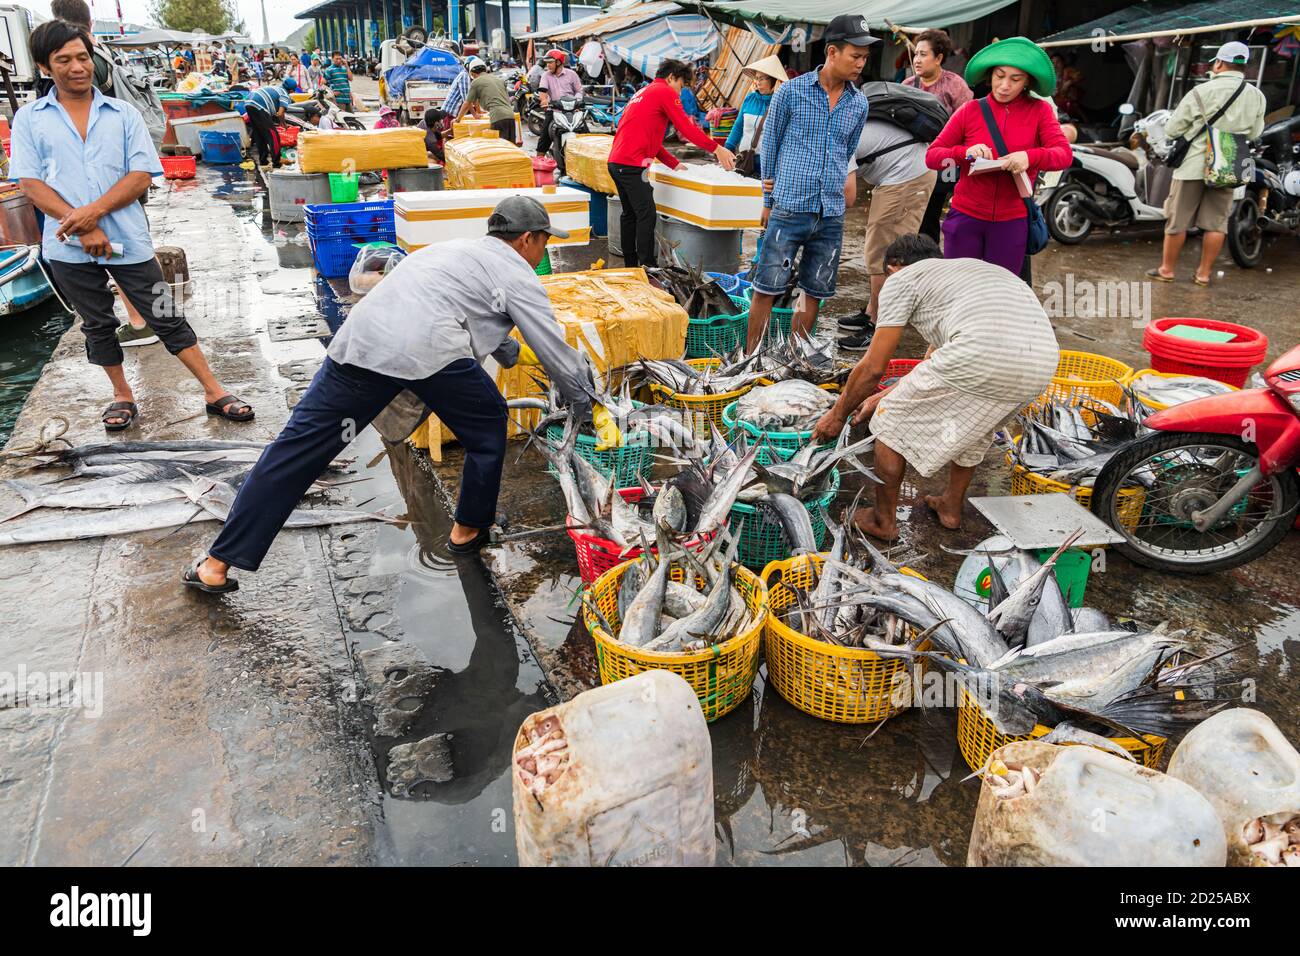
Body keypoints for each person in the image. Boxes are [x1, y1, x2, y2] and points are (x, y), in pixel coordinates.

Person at [184, 197, 598, 592]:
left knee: (296, 451)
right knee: (488, 425)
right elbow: (553, 347)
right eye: (545, 241)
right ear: (527, 239)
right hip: (426, 350)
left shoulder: (448, 251)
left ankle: (217, 564)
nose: (542, 252)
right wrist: (583, 402)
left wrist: (507, 352)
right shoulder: (518, 272)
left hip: (359, 344)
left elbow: (454, 305)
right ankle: (467, 529)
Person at [12, 21, 253, 432]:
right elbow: (31, 183)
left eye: (83, 57)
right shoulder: (31, 120)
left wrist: (91, 215)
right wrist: (84, 228)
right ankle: (122, 394)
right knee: (98, 323)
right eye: (64, 60)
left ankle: (214, 390)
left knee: (165, 314)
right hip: (68, 247)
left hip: (128, 239)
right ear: (44, 66)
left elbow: (141, 174)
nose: (77, 67)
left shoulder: (122, 113)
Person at [811, 235, 1059, 540]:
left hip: (983, 354)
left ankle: (882, 521)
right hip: (1042, 363)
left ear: (894, 267)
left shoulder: (902, 280)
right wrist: (882, 394)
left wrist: (837, 415)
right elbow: (933, 367)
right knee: (975, 429)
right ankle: (950, 507)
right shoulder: (958, 277)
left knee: (888, 423)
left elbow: (873, 367)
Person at [748, 15, 874, 352]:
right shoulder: (791, 91)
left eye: (864, 58)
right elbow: (769, 146)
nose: (860, 64)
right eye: (855, 56)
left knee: (813, 290)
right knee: (768, 286)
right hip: (789, 207)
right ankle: (751, 356)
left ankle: (795, 352)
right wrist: (767, 199)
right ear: (832, 52)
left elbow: (846, 152)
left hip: (829, 213)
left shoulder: (858, 103)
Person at [924, 36, 1071, 276]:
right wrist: (965, 152)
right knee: (957, 289)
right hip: (965, 218)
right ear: (990, 74)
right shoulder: (970, 110)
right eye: (999, 76)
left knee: (998, 294)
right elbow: (933, 156)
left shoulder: (1040, 111)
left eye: (1015, 79)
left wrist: (1029, 157)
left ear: (1027, 82)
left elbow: (1063, 154)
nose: (1004, 85)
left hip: (1011, 222)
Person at [1147, 41, 1266, 287]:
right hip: (1229, 164)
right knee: (1216, 222)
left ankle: (1167, 270)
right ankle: (1203, 274)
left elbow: (1171, 128)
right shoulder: (1256, 95)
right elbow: (1255, 133)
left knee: (1178, 219)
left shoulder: (1201, 92)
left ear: (1219, 63)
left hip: (1193, 164)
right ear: (1244, 67)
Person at [606, 59, 736, 269]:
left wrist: (675, 164)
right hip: (631, 165)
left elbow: (650, 140)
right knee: (646, 214)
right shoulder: (664, 92)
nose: (679, 93)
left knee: (630, 214)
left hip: (617, 162)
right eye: (681, 86)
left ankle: (630, 266)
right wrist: (717, 148)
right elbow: (686, 128)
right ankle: (647, 266)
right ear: (671, 77)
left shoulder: (643, 92)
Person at [839, 111, 938, 351]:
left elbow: (847, 195)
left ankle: (878, 326)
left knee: (884, 254)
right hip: (903, 170)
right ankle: (873, 311)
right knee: (880, 249)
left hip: (907, 175)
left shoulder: (836, 136)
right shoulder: (837, 124)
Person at [904, 29, 972, 244]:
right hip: (914, 161)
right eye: (916, 54)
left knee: (932, 210)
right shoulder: (907, 86)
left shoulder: (955, 85)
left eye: (924, 54)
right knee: (912, 215)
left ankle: (930, 253)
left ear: (939, 58)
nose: (917, 59)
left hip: (947, 161)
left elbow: (969, 125)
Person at [724, 55, 786, 177]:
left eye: (762, 79)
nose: (757, 82)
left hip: (768, 162)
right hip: (745, 159)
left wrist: (778, 97)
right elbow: (738, 126)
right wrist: (727, 148)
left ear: (773, 80)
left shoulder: (781, 103)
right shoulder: (749, 99)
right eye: (756, 78)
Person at [535, 49, 583, 157]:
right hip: (554, 111)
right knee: (544, 139)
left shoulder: (572, 74)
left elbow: (579, 91)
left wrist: (578, 102)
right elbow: (542, 91)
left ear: (558, 62)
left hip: (572, 111)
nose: (548, 65)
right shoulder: (546, 75)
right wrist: (544, 100)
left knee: (585, 134)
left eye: (550, 62)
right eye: (547, 63)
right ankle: (539, 162)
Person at [458, 58, 516, 141]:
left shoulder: (476, 82)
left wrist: (458, 119)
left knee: (499, 149)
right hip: (511, 115)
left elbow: (467, 103)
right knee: (510, 147)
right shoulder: (499, 80)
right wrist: (477, 112)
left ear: (472, 73)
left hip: (497, 117)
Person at [245, 76, 296, 168]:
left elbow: (280, 114)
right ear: (292, 91)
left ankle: (263, 161)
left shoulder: (276, 88)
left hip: (249, 103)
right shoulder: (285, 94)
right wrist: (283, 124)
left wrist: (283, 123)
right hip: (259, 105)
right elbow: (280, 113)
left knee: (259, 134)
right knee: (273, 135)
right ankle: (277, 160)